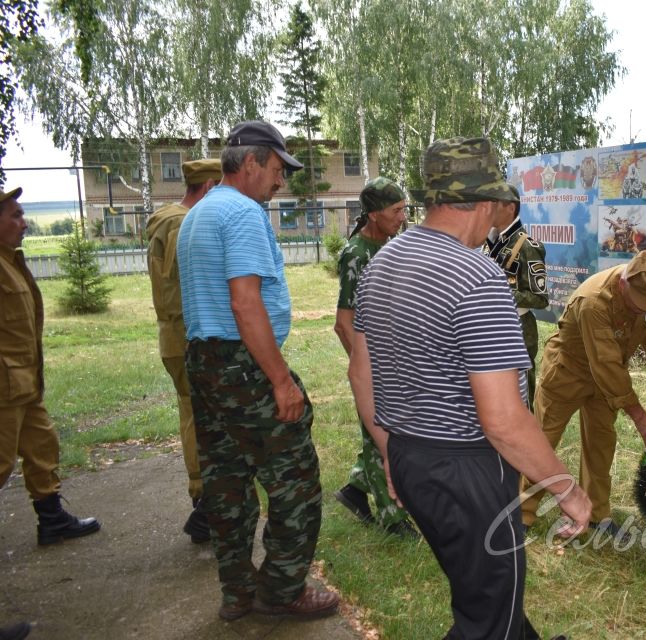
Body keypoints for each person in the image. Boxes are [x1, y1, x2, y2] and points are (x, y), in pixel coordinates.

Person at [348, 136, 590, 640]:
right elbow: (503, 422)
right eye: (496, 207)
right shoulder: (477, 276)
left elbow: (360, 372)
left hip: (413, 458)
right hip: (468, 473)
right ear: (482, 203)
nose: (495, 221)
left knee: (482, 590)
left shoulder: (383, 263)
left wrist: (391, 452)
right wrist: (566, 488)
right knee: (488, 619)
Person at [177, 121, 338, 622]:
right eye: (275, 169)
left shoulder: (197, 214)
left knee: (226, 483)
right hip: (243, 365)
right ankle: (283, 589)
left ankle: (238, 592)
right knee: (297, 482)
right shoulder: (243, 213)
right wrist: (280, 380)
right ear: (250, 163)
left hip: (204, 362)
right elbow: (246, 304)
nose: (280, 182)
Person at [520, 250, 646, 536]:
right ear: (623, 284)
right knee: (543, 442)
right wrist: (640, 417)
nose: (644, 310)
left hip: (608, 378)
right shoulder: (593, 301)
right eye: (638, 305)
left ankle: (596, 514)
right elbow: (605, 365)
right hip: (568, 373)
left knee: (601, 443)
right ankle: (521, 514)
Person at [0, 186, 101, 547]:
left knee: (43, 446)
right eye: (15, 216)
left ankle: (52, 519)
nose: (24, 223)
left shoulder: (10, 260)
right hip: (4, 386)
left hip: (24, 380)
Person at [332, 176, 416, 537]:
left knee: (383, 431)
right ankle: (393, 518)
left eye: (404, 209)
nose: (402, 216)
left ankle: (355, 488)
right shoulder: (357, 255)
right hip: (376, 363)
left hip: (396, 356)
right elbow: (343, 322)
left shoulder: (390, 244)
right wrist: (369, 371)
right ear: (374, 214)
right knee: (381, 434)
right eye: (396, 210)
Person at [146, 158, 221, 544]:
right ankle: (205, 504)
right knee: (201, 417)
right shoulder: (181, 223)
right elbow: (191, 279)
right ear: (209, 187)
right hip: (187, 334)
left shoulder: (170, 218)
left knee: (194, 414)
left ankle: (205, 501)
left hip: (177, 334)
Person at [484, 183, 549, 407]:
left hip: (518, 327)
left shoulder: (526, 246)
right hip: (492, 325)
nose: (487, 209)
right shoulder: (491, 242)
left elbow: (541, 298)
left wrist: (501, 294)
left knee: (521, 399)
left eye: (493, 204)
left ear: (510, 208)